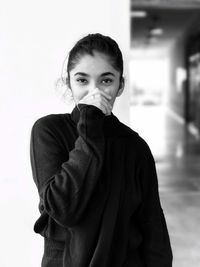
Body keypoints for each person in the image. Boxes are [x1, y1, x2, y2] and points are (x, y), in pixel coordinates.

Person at [30, 33, 173, 267]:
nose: (94, 92)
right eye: (82, 80)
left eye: (106, 81)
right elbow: (64, 209)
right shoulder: (48, 131)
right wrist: (90, 126)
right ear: (69, 83)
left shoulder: (135, 147)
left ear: (120, 86)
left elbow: (153, 230)